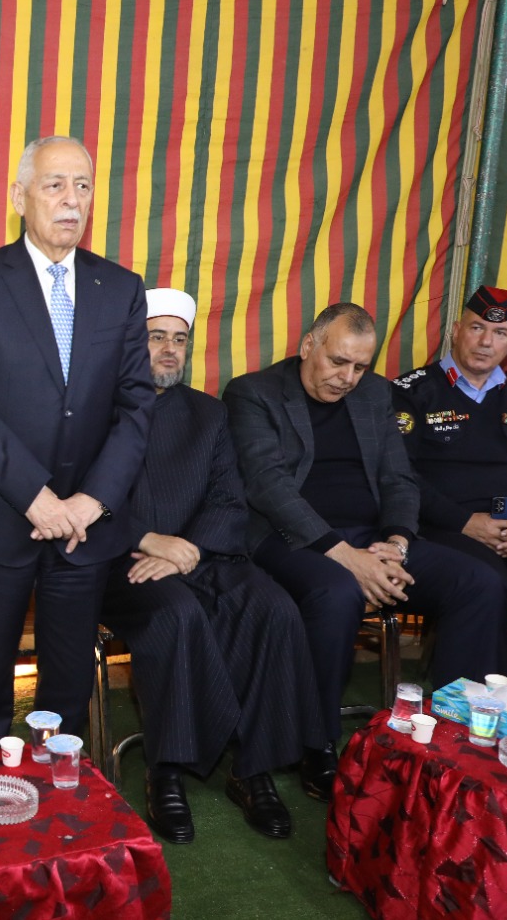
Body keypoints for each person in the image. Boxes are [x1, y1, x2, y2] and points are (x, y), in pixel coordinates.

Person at [224, 302, 507, 801]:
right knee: (337, 593)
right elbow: (268, 486)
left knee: (479, 583)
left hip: (374, 537)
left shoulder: (375, 393)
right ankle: (315, 743)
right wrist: (345, 555)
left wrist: (397, 543)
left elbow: (398, 477)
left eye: (359, 366)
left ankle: (452, 736)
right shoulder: (254, 393)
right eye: (338, 361)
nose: (347, 378)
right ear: (308, 345)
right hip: (289, 538)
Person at [0, 135, 155, 738]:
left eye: (83, 186)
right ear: (19, 197)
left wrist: (90, 501)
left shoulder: (121, 288)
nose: (71, 200)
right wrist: (36, 497)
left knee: (68, 690)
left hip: (85, 527)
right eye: (55, 185)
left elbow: (136, 406)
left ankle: (64, 792)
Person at [98, 290, 322, 844]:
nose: (169, 350)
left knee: (272, 608)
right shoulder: (95, 411)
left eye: (179, 339)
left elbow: (228, 498)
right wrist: (149, 541)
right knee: (176, 615)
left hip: (202, 555)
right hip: (119, 562)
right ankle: (166, 770)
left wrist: (189, 549)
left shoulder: (209, 413)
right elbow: (80, 501)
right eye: (156, 337)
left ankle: (252, 767)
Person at [390, 287, 507, 603]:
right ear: (456, 331)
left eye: (500, 333)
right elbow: (400, 475)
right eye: (477, 327)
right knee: (489, 586)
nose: (486, 342)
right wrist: (464, 523)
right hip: (443, 529)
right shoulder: (412, 394)